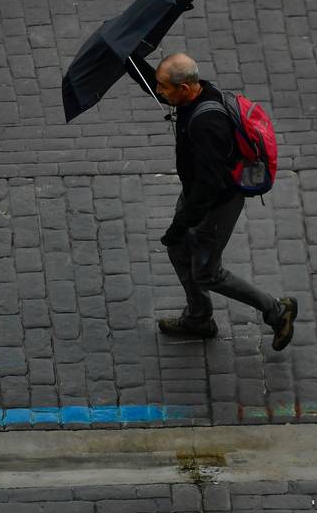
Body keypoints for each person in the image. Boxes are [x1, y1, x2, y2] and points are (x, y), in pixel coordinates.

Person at [127, 52, 298, 350]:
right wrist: (128, 60)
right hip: (197, 194)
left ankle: (275, 310)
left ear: (184, 88)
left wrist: (181, 223)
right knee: (179, 251)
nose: (159, 92)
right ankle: (199, 318)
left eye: (164, 87)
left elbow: (211, 186)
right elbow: (153, 85)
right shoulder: (194, 94)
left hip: (215, 205)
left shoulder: (207, 125)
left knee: (207, 272)